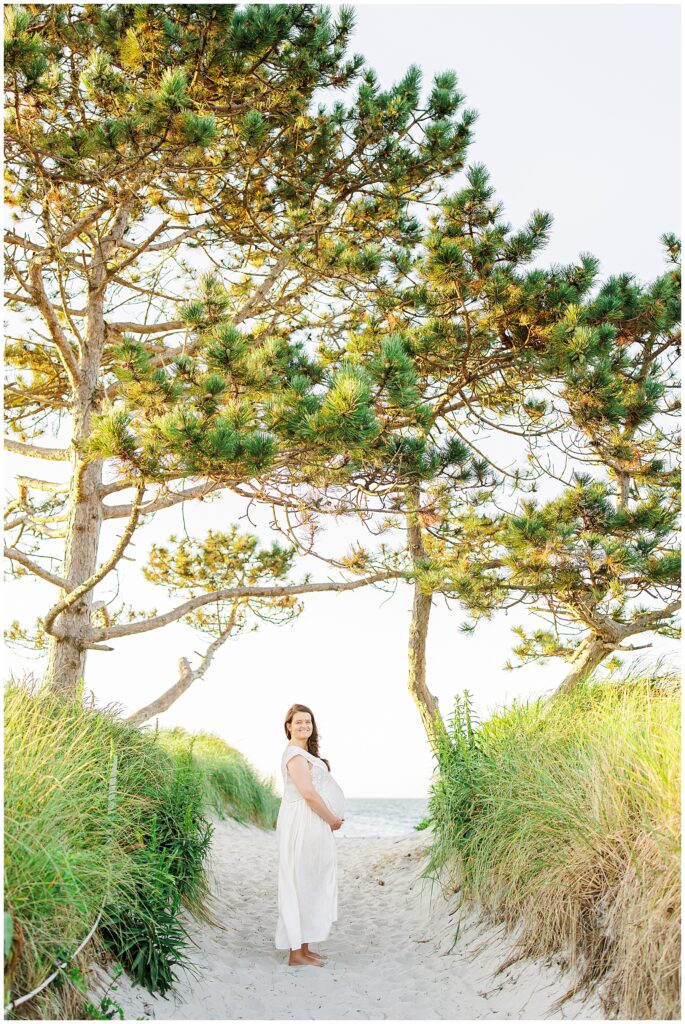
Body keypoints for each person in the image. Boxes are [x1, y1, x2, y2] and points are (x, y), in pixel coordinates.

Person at [275, 703, 345, 967]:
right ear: (289, 726)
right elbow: (308, 794)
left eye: (308, 722)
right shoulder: (294, 755)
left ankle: (304, 948)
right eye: (299, 722)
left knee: (310, 882)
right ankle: (296, 954)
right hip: (302, 823)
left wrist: (330, 817)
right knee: (299, 882)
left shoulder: (305, 753)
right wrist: (332, 820)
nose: (304, 726)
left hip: (312, 822)